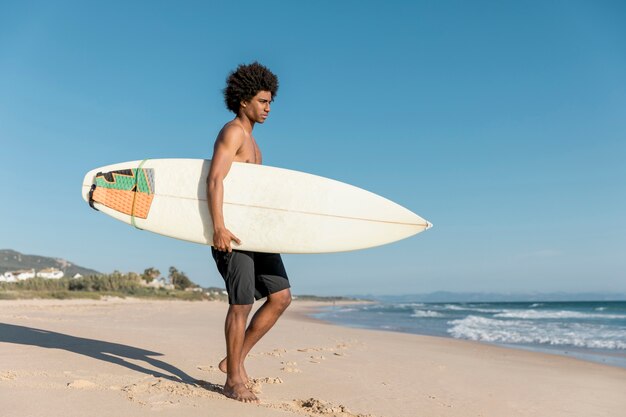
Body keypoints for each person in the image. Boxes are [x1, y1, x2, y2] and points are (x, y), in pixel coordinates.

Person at [206, 62, 292, 403]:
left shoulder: (255, 144)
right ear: (244, 101)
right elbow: (215, 179)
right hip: (233, 234)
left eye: (270, 102)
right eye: (262, 101)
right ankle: (233, 380)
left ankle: (234, 360)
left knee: (281, 297)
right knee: (241, 304)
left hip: (257, 234)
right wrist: (219, 227)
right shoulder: (233, 133)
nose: (268, 108)